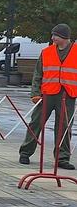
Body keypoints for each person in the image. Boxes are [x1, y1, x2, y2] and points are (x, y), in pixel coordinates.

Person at [19, 23, 76, 170]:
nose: (52, 38)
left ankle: (62, 158)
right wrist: (35, 93)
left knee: (64, 126)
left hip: (68, 94)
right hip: (47, 94)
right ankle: (25, 152)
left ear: (64, 37)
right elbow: (37, 75)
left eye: (55, 35)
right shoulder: (46, 52)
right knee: (36, 122)